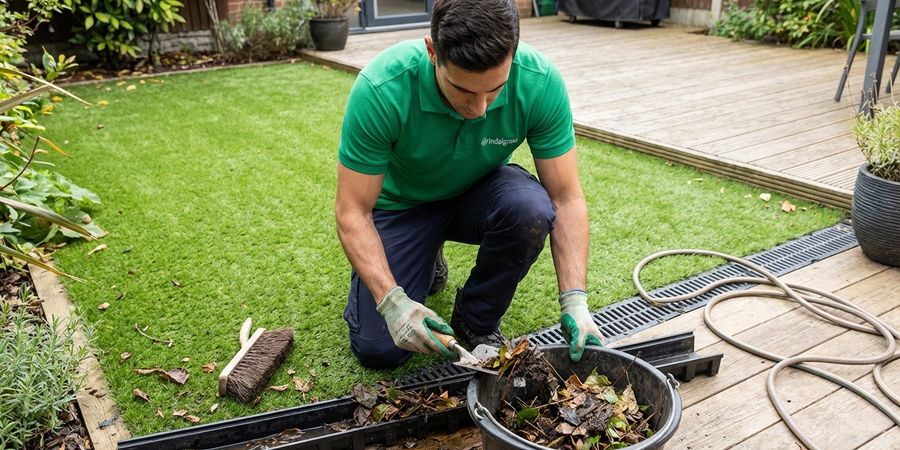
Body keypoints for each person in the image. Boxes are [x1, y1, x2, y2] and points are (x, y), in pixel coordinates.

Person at [335, 0, 605, 370]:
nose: (480, 108)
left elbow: (566, 197)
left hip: (478, 195)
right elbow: (353, 211)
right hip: (403, 207)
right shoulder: (382, 88)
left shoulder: (539, 82)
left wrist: (575, 300)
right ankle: (426, 258)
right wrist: (393, 303)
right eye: (463, 90)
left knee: (529, 210)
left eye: (495, 89)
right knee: (379, 349)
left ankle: (474, 318)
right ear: (433, 52)